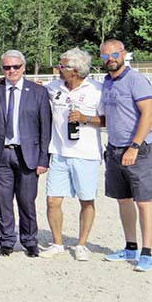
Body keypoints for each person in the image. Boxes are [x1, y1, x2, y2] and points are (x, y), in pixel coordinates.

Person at [0, 50, 51, 257]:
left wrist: (43, 159)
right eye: (7, 67)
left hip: (28, 155)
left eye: (15, 67)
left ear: (23, 67)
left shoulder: (38, 92)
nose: (11, 71)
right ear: (2, 69)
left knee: (27, 201)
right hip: (0, 155)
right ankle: (7, 241)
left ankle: (29, 240)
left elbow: (46, 129)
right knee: (3, 200)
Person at [40, 48, 105, 261]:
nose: (58, 69)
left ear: (75, 70)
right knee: (52, 201)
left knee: (86, 200)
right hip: (58, 152)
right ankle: (57, 243)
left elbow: (107, 119)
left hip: (86, 154)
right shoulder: (54, 87)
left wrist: (86, 118)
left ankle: (81, 244)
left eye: (62, 66)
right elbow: (34, 89)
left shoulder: (97, 90)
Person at [100, 39, 152, 272]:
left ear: (124, 54)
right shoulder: (106, 83)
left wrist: (134, 146)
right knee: (123, 200)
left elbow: (148, 114)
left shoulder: (136, 80)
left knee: (144, 203)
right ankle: (130, 246)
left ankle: (148, 252)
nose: (110, 59)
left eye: (114, 54)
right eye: (105, 56)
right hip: (114, 150)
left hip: (137, 151)